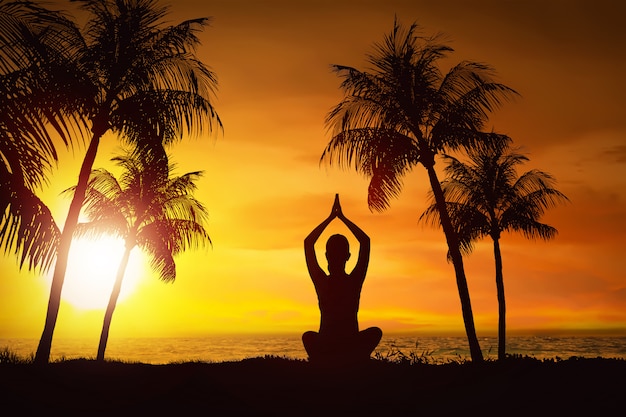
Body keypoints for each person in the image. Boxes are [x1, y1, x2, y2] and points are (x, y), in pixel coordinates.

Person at [302, 194, 382, 364]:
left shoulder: (328, 281)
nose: (335, 258)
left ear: (346, 256)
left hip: (342, 344)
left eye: (337, 254)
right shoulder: (348, 281)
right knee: (308, 336)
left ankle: (333, 359)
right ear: (348, 256)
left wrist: (335, 218)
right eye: (333, 254)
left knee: (376, 332)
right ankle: (350, 359)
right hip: (337, 344)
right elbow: (365, 242)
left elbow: (309, 243)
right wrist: (337, 218)